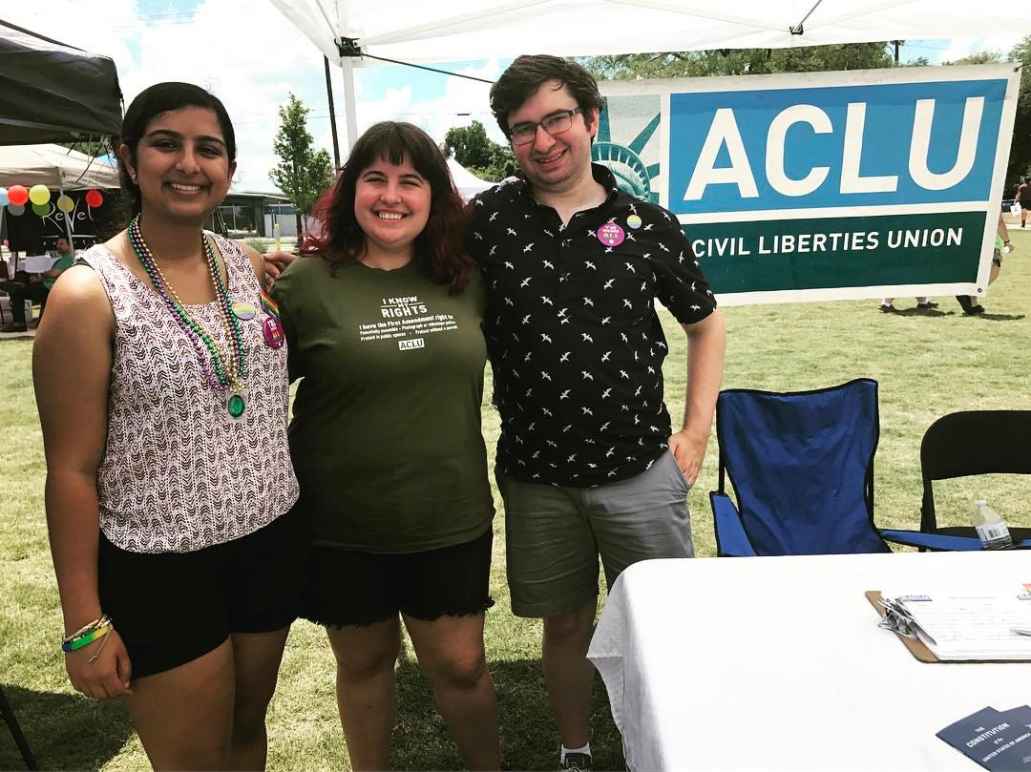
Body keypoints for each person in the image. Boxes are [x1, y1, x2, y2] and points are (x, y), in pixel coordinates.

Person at [32, 82, 302, 770]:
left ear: (229, 170)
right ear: (128, 158)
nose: (188, 163)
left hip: (267, 540)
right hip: (160, 562)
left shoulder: (244, 266)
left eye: (207, 149)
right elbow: (69, 469)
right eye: (165, 144)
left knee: (247, 731)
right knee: (192, 760)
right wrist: (83, 623)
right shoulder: (87, 293)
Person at [467, 55, 726, 771]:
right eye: (523, 129)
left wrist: (695, 433)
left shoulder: (646, 222)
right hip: (536, 477)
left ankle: (679, 747)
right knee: (566, 624)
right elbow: (395, 256)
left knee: (662, 625)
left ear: (590, 120)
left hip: (641, 469)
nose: (543, 140)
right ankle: (574, 750)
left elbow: (704, 323)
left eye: (556, 119)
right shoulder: (485, 220)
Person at [271, 122, 501, 771]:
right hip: (341, 524)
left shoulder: (466, 279)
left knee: (460, 667)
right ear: (351, 192)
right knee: (364, 663)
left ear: (435, 196)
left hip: (447, 514)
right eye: (375, 178)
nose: (391, 195)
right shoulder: (307, 283)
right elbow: (250, 389)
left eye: (410, 180)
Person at [2, 237, 75, 331]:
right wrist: (39, 278)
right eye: (57, 244)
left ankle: (19, 323)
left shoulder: (67, 259)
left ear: (69, 246)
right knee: (21, 286)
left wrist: (41, 274)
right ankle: (23, 322)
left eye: (61, 244)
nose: (58, 246)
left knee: (16, 291)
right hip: (47, 286)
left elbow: (53, 273)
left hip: (49, 289)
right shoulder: (64, 259)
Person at [956, 213, 1012, 315]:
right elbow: (999, 221)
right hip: (990, 242)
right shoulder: (994, 198)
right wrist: (1007, 241)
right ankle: (968, 292)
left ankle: (973, 304)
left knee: (978, 274)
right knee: (994, 270)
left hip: (973, 239)